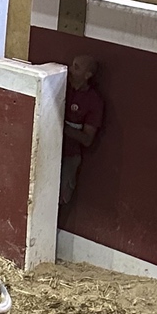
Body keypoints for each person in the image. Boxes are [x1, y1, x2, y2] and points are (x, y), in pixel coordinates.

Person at [61, 54, 103, 207]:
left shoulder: (94, 101)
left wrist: (59, 126)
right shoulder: (61, 85)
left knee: (60, 198)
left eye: (76, 67)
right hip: (50, 149)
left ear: (88, 75)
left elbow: (87, 140)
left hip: (70, 156)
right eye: (72, 65)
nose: (70, 69)